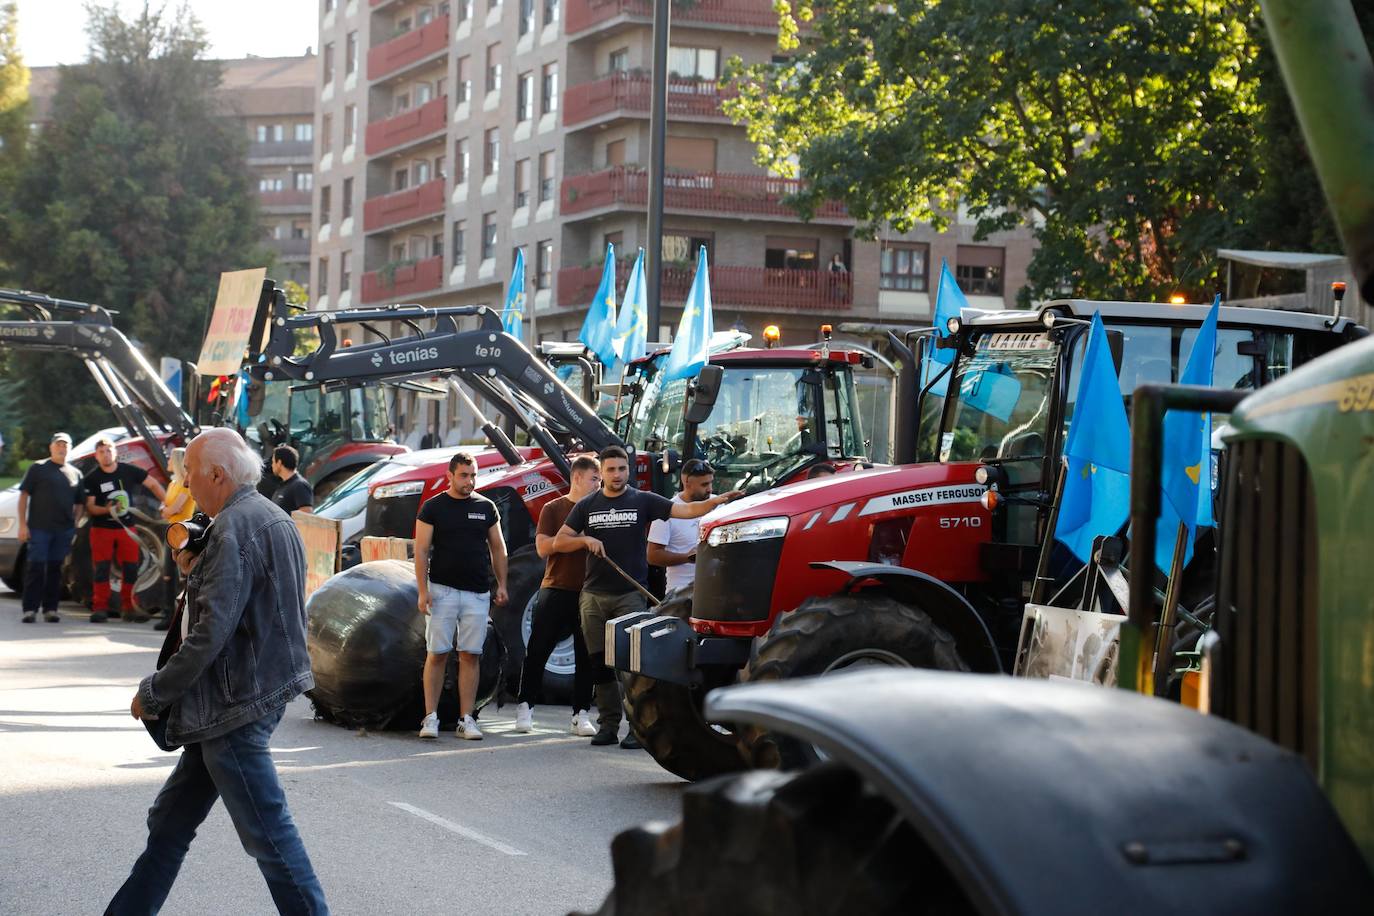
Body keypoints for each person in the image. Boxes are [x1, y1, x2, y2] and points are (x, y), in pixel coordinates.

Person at [112, 428, 328, 915]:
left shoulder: (233, 529)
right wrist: (194, 566)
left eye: (189, 471)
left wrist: (154, 693)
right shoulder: (270, 517)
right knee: (169, 822)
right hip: (242, 699)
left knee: (270, 840)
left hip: (232, 706)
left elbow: (210, 633)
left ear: (217, 472)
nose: (185, 482)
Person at [554, 446, 740, 747]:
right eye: (611, 469)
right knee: (599, 663)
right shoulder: (587, 505)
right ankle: (608, 725)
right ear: (601, 472)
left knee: (632, 666)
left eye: (622, 468)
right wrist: (585, 539)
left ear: (628, 470)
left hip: (629, 594)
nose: (617, 474)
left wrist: (716, 501)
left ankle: (637, 729)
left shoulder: (643, 500)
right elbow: (560, 540)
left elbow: (684, 510)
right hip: (593, 595)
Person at [414, 452, 509, 740]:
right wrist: (422, 590)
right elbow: (420, 550)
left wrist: (502, 584)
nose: (470, 481)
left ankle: (466, 719)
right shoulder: (433, 508)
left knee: (470, 655)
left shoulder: (486, 507)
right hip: (442, 591)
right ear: (450, 476)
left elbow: (498, 548)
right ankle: (430, 717)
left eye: (473, 475)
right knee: (438, 653)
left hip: (477, 593)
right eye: (464, 475)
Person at [513, 456, 600, 737]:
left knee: (586, 655)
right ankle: (525, 707)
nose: (598, 484)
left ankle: (581, 714)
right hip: (557, 587)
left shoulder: (601, 509)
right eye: (594, 479)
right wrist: (580, 540)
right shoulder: (554, 508)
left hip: (590, 591)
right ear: (577, 478)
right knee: (538, 650)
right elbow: (542, 547)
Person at [85, 437, 167, 624]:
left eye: (109, 450)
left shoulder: (128, 471)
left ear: (115, 452)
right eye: (101, 452)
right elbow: (90, 508)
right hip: (101, 529)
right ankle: (100, 608)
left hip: (127, 528)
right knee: (102, 569)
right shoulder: (92, 478)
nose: (106, 454)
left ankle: (129, 607)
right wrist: (107, 510)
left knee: (131, 568)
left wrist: (167, 504)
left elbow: (153, 484)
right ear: (96, 456)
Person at [16, 432, 85, 623]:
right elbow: (23, 496)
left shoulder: (75, 473)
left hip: (63, 531)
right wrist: (22, 525)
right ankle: (30, 609)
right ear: (51, 447)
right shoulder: (37, 468)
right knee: (35, 568)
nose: (62, 448)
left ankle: (50, 609)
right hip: (39, 529)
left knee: (56, 570)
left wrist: (75, 523)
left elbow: (80, 503)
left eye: (65, 445)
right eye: (58, 445)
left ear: (70, 448)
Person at [646, 459, 716, 595]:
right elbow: (653, 556)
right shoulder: (667, 511)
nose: (710, 489)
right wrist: (688, 557)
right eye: (704, 484)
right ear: (687, 483)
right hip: (681, 593)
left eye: (711, 482)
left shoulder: (719, 505)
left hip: (715, 589)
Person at [156, 447, 197, 632]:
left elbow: (173, 509)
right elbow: (166, 506)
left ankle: (179, 615)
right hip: (171, 530)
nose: (168, 462)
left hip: (181, 532)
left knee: (180, 573)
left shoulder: (184, 485)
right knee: (167, 573)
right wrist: (167, 509)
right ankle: (167, 613)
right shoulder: (173, 484)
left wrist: (167, 510)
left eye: (170, 459)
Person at [269, 446, 313, 514]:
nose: (272, 465)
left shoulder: (300, 485)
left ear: (279, 463)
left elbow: (306, 515)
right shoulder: (282, 486)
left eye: (273, 462)